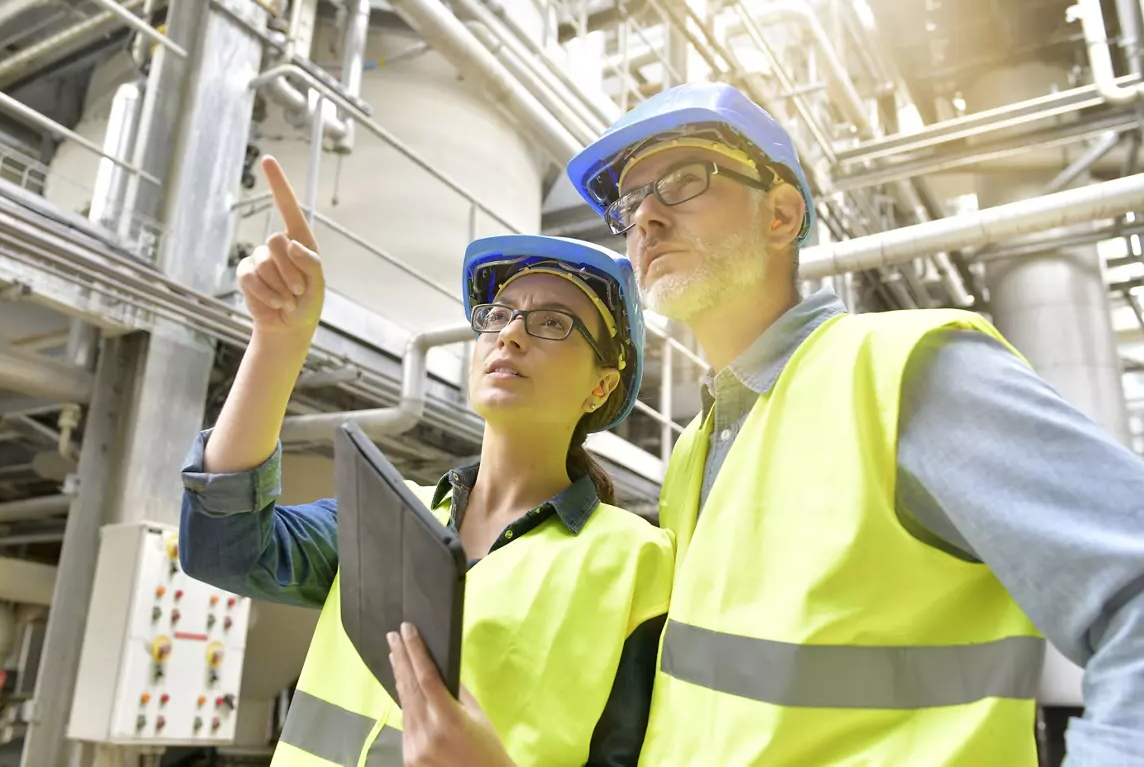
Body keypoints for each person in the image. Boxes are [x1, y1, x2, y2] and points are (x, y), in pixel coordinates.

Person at [393, 82, 1144, 767]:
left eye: (683, 182)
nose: (645, 217)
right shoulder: (698, 448)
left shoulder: (906, 373)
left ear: (781, 214)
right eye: (628, 205)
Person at [177, 156, 673, 767]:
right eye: (498, 315)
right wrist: (278, 344)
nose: (510, 336)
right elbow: (223, 549)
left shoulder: (637, 564)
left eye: (553, 323)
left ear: (601, 387)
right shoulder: (391, 512)